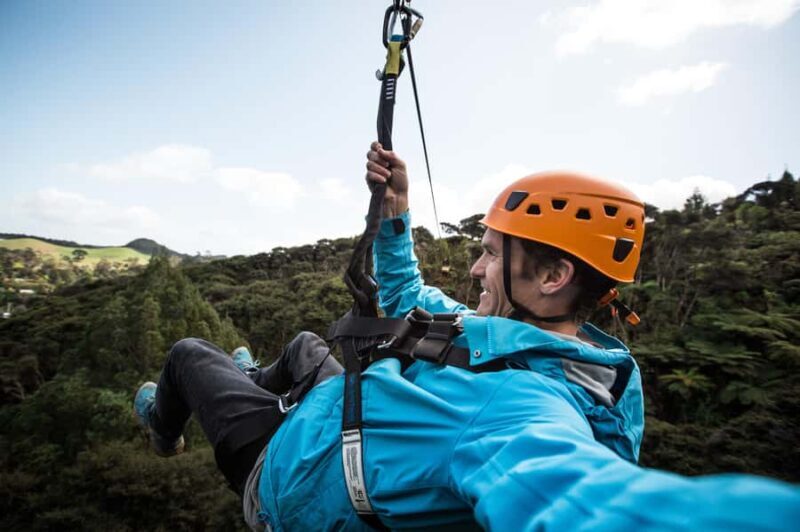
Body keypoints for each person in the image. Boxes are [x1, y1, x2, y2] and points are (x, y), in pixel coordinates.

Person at [134, 142, 800, 530]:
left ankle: (165, 426)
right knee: (308, 344)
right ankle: (256, 379)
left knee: (189, 356)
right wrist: (395, 211)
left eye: (488, 254)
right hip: (330, 416)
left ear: (552, 274)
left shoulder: (520, 413)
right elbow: (413, 305)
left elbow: (584, 502)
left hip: (278, 469)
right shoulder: (560, 352)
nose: (475, 267)